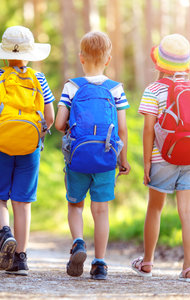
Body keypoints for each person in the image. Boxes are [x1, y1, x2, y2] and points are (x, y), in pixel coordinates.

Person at [0, 25, 55, 276]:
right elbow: (50, 116)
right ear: (30, 53)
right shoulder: (38, 78)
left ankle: (5, 233)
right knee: (23, 202)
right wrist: (37, 137)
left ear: (4, 54)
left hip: (0, 141)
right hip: (30, 145)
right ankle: (20, 258)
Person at [132, 33, 190, 283]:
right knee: (188, 211)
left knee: (155, 208)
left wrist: (146, 164)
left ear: (159, 63)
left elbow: (149, 129)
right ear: (186, 64)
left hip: (162, 157)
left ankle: (147, 262)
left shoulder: (153, 90)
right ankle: (189, 268)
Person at [55, 31, 130, 280]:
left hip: (78, 157)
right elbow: (122, 129)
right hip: (106, 158)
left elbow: (58, 124)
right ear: (108, 60)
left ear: (81, 58)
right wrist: (123, 159)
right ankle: (100, 264)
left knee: (75, 205)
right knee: (101, 211)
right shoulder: (116, 89)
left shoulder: (72, 86)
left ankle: (78, 242)